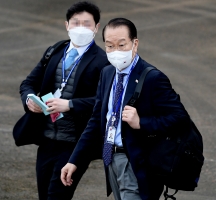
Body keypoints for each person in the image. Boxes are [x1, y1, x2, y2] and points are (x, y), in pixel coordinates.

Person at [60, 18, 190, 200]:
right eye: (110, 46)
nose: (116, 52)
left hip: (137, 164)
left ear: (134, 44)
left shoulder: (153, 78)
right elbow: (97, 120)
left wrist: (141, 123)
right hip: (110, 160)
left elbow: (180, 118)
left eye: (121, 45)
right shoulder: (107, 73)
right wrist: (75, 160)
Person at [18, 1, 109, 199]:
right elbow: (28, 84)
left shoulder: (103, 61)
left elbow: (106, 101)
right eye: (75, 23)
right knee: (44, 195)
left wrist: (70, 105)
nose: (80, 28)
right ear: (67, 25)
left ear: (96, 27)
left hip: (75, 145)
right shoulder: (55, 51)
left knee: (57, 196)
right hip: (47, 139)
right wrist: (29, 100)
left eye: (87, 23)